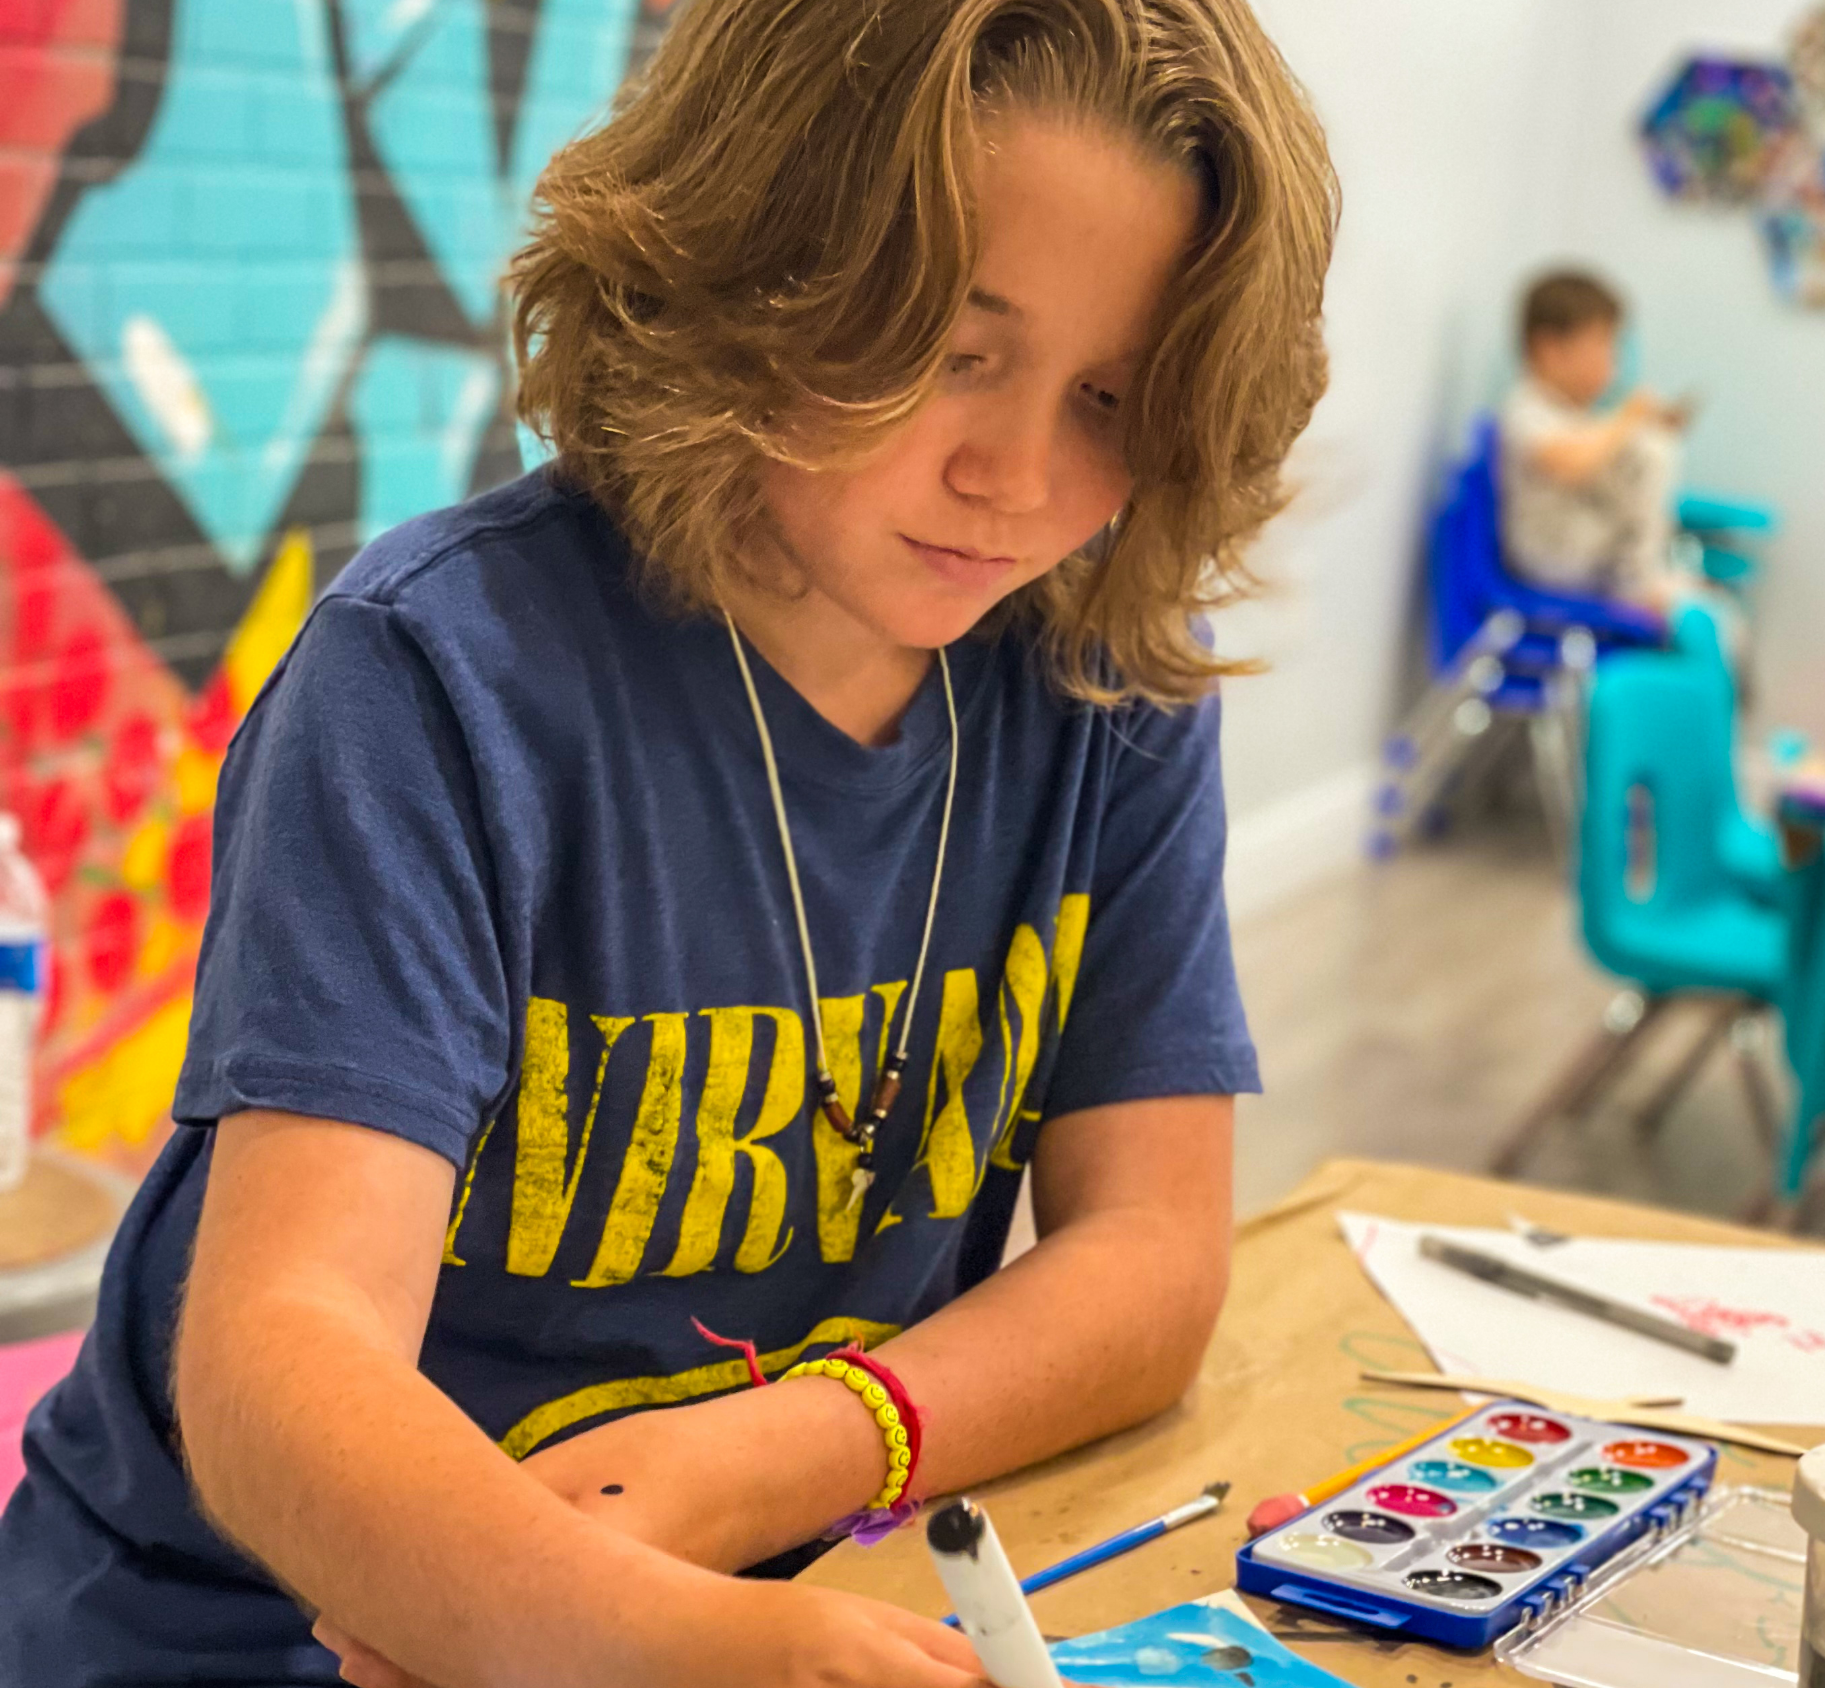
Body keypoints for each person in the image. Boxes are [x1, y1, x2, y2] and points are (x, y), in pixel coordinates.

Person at [0, 1, 1337, 1684]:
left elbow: (1152, 1261)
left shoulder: (1107, 675)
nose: (1013, 476)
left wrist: (756, 1469)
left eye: (1112, 395)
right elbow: (281, 1355)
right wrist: (646, 1631)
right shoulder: (437, 677)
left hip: (748, 1587)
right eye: (948, 350)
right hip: (243, 1629)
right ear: (752, 267)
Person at [1500, 269, 1692, 614]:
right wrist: (1626, 418)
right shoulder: (1526, 409)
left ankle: (1647, 577)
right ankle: (1639, 582)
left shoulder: (1570, 414)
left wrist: (1640, 427)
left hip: (1582, 550)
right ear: (1549, 349)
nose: (1611, 364)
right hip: (1553, 558)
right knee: (1653, 454)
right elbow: (1571, 464)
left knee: (1651, 449)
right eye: (1602, 346)